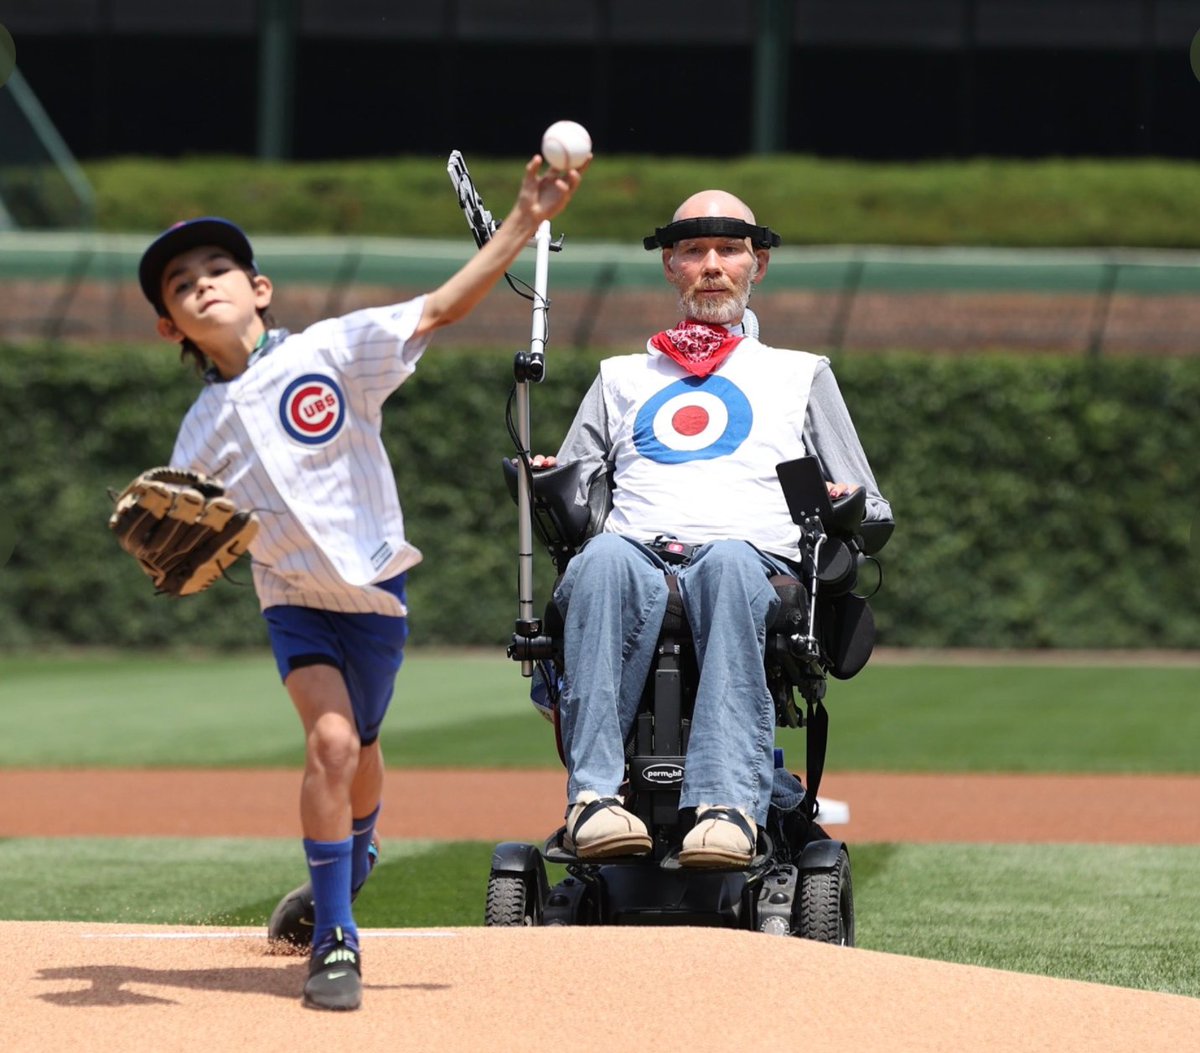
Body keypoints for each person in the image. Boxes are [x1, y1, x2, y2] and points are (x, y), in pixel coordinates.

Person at [136, 154, 585, 1011]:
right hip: (295, 603)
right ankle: (336, 935)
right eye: (179, 285)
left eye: (217, 269)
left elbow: (444, 306)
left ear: (259, 287)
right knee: (333, 745)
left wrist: (525, 221)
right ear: (169, 328)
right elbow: (186, 550)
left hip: (376, 596)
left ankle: (360, 844)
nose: (201, 285)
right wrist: (178, 565)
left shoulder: (332, 352)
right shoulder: (197, 438)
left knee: (364, 748)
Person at [533, 189, 891, 868]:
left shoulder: (800, 374)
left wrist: (841, 501)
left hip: (751, 561)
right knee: (603, 559)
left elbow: (873, 510)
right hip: (635, 554)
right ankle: (595, 801)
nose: (712, 265)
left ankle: (727, 806)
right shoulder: (620, 378)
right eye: (694, 251)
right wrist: (549, 478)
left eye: (729, 249)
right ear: (670, 265)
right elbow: (573, 503)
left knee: (726, 560)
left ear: (758, 262)